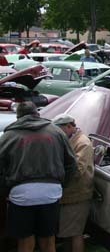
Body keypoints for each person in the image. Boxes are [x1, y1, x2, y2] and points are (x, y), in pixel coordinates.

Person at [0, 101, 76, 252]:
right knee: (48, 241)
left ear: (18, 117)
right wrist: (62, 185)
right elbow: (71, 163)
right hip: (51, 193)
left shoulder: (8, 136)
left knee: (25, 242)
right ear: (37, 113)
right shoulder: (56, 132)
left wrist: (5, 190)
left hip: (21, 194)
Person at [54, 114, 94, 252]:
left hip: (78, 194)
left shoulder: (82, 143)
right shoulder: (69, 139)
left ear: (69, 126)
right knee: (67, 233)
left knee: (75, 233)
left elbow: (78, 169)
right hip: (68, 194)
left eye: (60, 129)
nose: (58, 133)